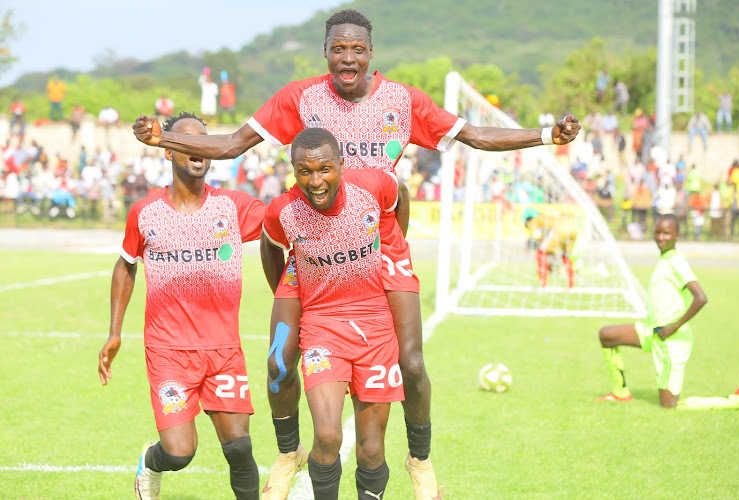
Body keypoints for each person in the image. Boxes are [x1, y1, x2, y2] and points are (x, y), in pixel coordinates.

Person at [132, 9, 580, 499]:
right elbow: (232, 144)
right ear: (326, 53)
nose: (348, 58)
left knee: (410, 364)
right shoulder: (299, 98)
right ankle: (287, 452)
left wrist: (545, 136)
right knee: (280, 361)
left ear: (371, 54)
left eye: (358, 49)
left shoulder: (402, 101)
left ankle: (420, 459)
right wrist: (163, 139)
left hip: (380, 246)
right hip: (313, 243)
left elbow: (474, 136)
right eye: (339, 49)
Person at [98, 112, 267, 500]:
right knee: (179, 452)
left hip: (224, 350)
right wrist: (114, 333)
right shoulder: (145, 212)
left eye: (203, 142)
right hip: (168, 352)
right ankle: (151, 463)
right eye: (186, 141)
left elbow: (282, 220)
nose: (197, 149)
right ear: (168, 151)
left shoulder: (234, 207)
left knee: (240, 449)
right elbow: (126, 265)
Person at [262, 127, 404, 500]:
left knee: (372, 450)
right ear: (293, 169)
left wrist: (393, 251)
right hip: (322, 323)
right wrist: (288, 288)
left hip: (375, 323)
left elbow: (398, 203)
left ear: (342, 164)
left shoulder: (373, 187)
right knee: (327, 435)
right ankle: (289, 452)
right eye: (304, 171)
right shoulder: (284, 210)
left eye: (325, 169)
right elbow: (271, 243)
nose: (315, 181)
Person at [596, 214, 708, 408]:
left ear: (677, 236)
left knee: (670, 406)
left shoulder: (676, 262)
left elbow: (701, 298)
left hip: (669, 339)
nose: (661, 237)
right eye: (657, 232)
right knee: (607, 335)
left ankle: (737, 400)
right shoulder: (664, 259)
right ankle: (621, 392)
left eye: (666, 233)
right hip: (653, 331)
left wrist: (674, 326)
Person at [522, 208, 577, 288]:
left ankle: (543, 284)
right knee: (566, 256)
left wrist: (541, 244)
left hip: (559, 230)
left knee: (541, 253)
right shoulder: (546, 216)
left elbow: (537, 235)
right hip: (573, 228)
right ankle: (571, 285)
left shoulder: (533, 221)